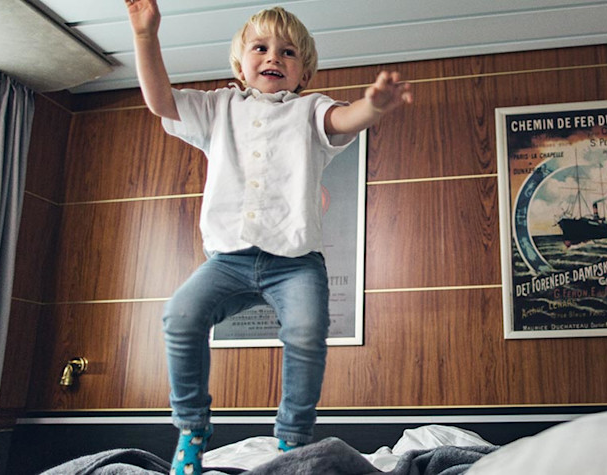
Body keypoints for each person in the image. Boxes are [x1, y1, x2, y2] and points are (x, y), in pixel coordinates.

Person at [124, 1, 412, 473]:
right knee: (179, 315)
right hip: (228, 259)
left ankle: (291, 441)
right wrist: (144, 35)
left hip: (295, 262)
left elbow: (344, 119)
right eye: (260, 48)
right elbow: (160, 101)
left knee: (306, 332)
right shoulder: (218, 107)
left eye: (288, 52)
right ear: (240, 66)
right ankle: (192, 428)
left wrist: (374, 106)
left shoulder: (309, 110)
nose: (274, 56)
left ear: (304, 74)